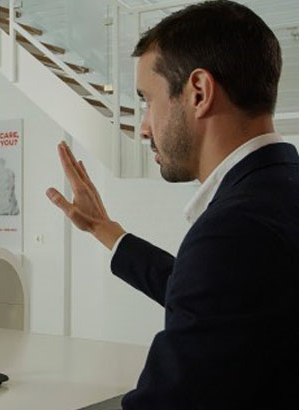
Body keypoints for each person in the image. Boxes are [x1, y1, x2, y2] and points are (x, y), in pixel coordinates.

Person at [46, 1, 297, 408]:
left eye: (147, 99)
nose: (144, 126)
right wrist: (104, 229)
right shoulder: (279, 191)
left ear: (198, 92)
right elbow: (216, 295)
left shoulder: (234, 230)